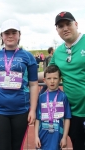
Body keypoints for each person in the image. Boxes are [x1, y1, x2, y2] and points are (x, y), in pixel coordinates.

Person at [0, 19, 39, 150]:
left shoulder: (28, 57)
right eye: (6, 33)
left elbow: (34, 84)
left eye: (13, 32)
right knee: (3, 147)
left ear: (19, 35)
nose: (10, 35)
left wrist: (33, 110)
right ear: (2, 36)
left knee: (17, 147)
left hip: (21, 110)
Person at [50, 11, 85, 150]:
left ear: (76, 24)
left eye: (68, 24)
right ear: (57, 30)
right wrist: (25, 77)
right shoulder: (58, 52)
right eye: (60, 26)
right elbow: (49, 73)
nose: (65, 28)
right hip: (73, 113)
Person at [35, 65, 71, 150]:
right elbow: (37, 119)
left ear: (60, 79)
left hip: (57, 138)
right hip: (42, 138)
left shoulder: (63, 97)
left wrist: (64, 137)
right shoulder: (41, 97)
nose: (52, 81)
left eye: (55, 78)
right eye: (49, 78)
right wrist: (36, 137)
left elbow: (67, 118)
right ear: (44, 80)